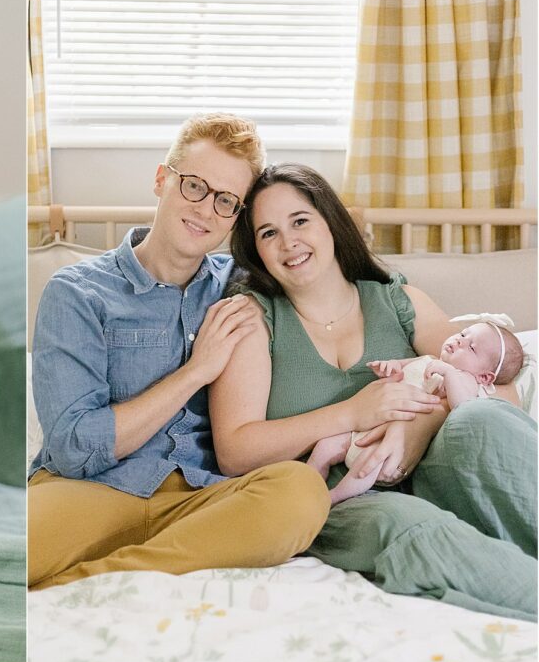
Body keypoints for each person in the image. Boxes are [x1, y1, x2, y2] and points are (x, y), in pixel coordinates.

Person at [28, 114, 351, 591]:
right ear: (163, 180)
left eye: (226, 201)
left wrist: (482, 343)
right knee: (1, 552)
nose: (205, 210)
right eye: (194, 187)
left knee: (300, 492)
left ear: (238, 215)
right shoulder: (78, 293)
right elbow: (75, 449)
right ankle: (151, 563)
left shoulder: (245, 286)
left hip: (204, 499)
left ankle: (97, 579)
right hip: (91, 489)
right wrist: (196, 371)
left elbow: (344, 294)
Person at [211, 162, 537, 620]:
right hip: (342, 499)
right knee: (416, 530)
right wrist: (352, 413)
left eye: (300, 221)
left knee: (482, 422)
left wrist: (421, 425)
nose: (289, 243)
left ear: (330, 221)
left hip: (434, 470)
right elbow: (234, 450)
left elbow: (500, 398)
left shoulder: (398, 300)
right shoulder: (253, 319)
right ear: (256, 251)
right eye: (268, 233)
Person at [309, 317, 526, 505]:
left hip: (391, 445)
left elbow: (463, 408)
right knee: (326, 445)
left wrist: (449, 373)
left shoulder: (466, 380)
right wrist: (390, 366)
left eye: (471, 347)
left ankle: (336, 496)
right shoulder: (428, 359)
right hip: (365, 428)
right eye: (462, 334)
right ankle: (312, 474)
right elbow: (403, 367)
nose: (460, 340)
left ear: (485, 377)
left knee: (371, 464)